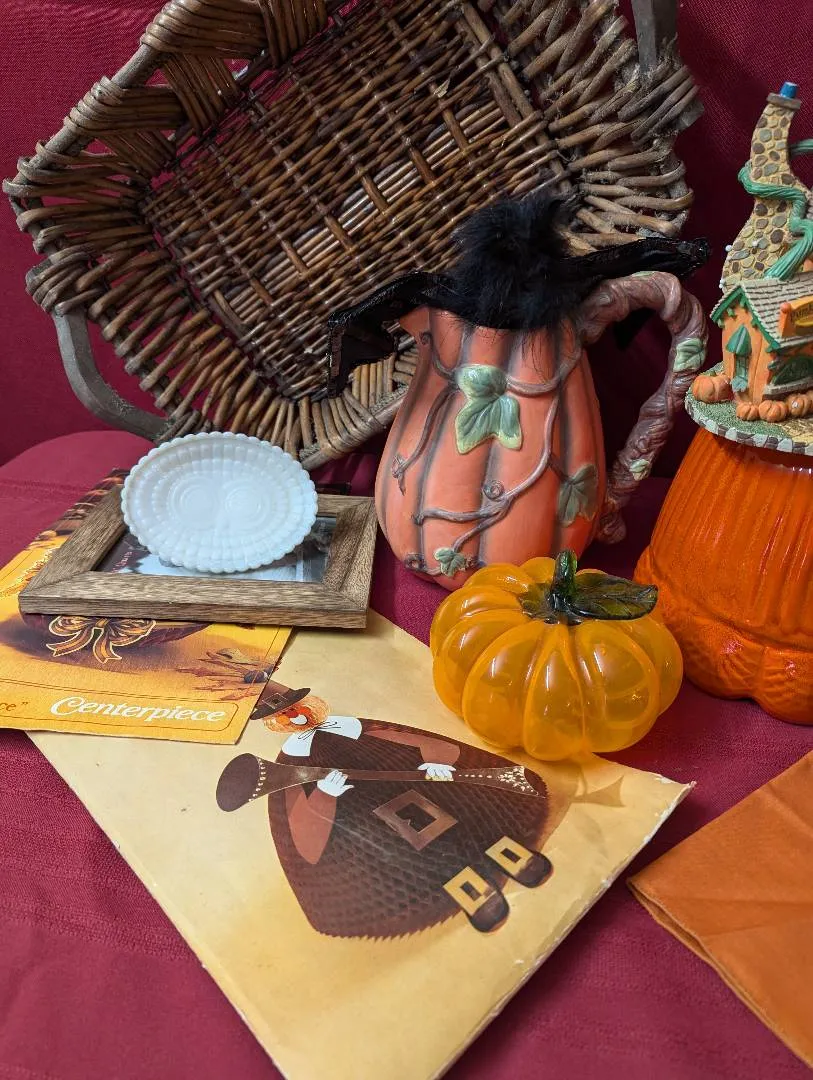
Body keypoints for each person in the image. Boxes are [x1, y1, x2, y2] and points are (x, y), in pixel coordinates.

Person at [217, 682, 554, 937]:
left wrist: (437, 762)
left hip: (426, 786)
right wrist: (326, 795)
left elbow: (415, 742)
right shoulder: (291, 764)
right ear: (275, 723)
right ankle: (475, 896)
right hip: (371, 822)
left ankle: (517, 857)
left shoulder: (354, 726)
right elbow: (303, 828)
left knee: (471, 819)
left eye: (296, 706)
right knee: (422, 858)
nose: (295, 715)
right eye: (284, 714)